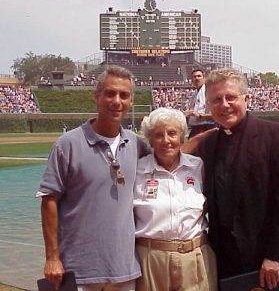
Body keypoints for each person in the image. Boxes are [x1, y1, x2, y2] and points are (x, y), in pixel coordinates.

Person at [37, 66, 149, 291]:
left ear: (131, 101)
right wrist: (52, 257)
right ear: (96, 96)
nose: (117, 100)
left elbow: (171, 154)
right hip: (78, 271)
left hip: (124, 270)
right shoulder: (67, 144)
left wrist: (208, 135)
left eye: (124, 95)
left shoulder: (137, 145)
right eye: (110, 93)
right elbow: (49, 200)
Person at [191, 68, 279, 290]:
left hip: (265, 262)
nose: (224, 105)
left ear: (246, 98)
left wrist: (275, 256)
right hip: (224, 261)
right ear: (208, 105)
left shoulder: (275, 135)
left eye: (231, 97)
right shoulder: (208, 144)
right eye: (216, 100)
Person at [133, 107, 217, 291]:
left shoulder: (198, 167)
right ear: (150, 140)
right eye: (158, 135)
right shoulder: (137, 170)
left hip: (195, 257)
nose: (166, 141)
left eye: (172, 133)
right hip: (150, 260)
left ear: (181, 137)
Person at [185, 69, 215, 138]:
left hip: (208, 126)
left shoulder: (209, 92)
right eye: (194, 77)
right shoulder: (194, 95)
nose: (197, 78)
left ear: (204, 78)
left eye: (199, 76)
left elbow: (216, 114)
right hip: (196, 126)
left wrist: (200, 115)